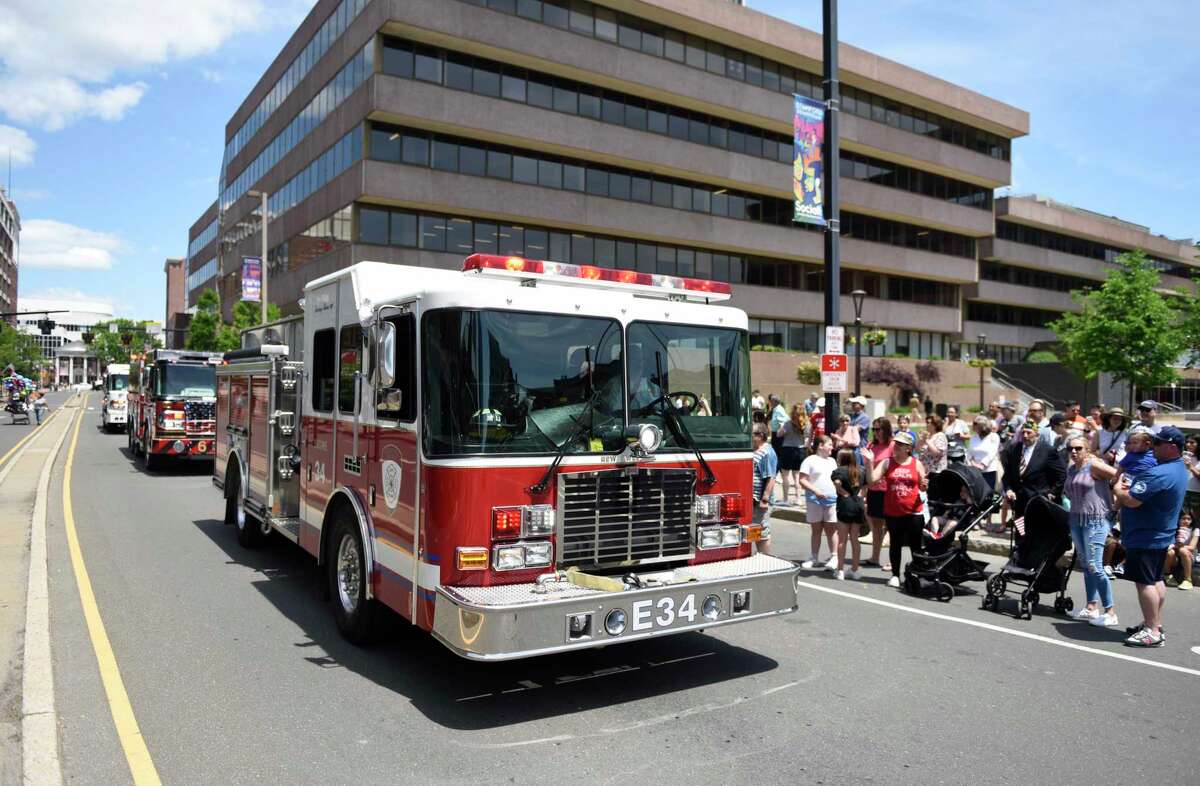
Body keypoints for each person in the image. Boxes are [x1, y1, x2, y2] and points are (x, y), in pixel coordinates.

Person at [1111, 427, 1190, 647]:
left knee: (1144, 583)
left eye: (1157, 443)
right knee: (1155, 580)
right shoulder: (1178, 468)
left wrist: (1117, 489)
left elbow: (1131, 500)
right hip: (1159, 534)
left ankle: (1152, 631)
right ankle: (1154, 622)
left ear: (1172, 447)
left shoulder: (1158, 473)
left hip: (1146, 536)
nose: (1152, 446)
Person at [1062, 435, 1120, 626]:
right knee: (1086, 565)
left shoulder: (1094, 465)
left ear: (1087, 449)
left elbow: (1119, 475)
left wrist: (1116, 504)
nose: (1073, 451)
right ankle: (1091, 607)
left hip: (1096, 521)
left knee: (1095, 566)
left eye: (1078, 448)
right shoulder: (1072, 469)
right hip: (1076, 520)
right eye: (1070, 448)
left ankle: (1110, 612)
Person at [866, 431, 927, 588]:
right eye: (895, 444)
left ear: (908, 448)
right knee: (895, 543)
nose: (896, 446)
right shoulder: (887, 462)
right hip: (893, 511)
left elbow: (922, 486)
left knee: (915, 546)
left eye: (900, 444)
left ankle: (918, 574)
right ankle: (895, 575)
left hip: (914, 511)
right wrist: (869, 462)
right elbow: (872, 481)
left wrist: (924, 485)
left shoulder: (916, 464)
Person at [1000, 420, 1066, 518]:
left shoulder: (1047, 451)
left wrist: (1052, 493)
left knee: (1037, 527)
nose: (1025, 435)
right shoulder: (1014, 449)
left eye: (1029, 432)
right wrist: (1009, 489)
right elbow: (1008, 474)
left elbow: (1061, 474)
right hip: (1019, 502)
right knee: (1020, 527)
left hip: (1039, 501)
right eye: (1023, 432)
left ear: (1037, 435)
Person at [798, 436, 839, 571]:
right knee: (816, 530)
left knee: (831, 530)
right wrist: (815, 490)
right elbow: (802, 480)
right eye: (829, 444)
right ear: (820, 445)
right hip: (814, 500)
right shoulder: (809, 460)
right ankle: (814, 557)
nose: (832, 447)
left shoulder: (832, 461)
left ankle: (834, 557)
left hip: (831, 499)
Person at [862, 417, 894, 569]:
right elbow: (867, 467)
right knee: (876, 525)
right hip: (873, 489)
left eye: (878, 429)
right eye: (873, 429)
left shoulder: (892, 445)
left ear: (886, 430)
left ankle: (893, 560)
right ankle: (875, 557)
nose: (875, 432)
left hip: (888, 490)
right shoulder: (871, 445)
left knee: (892, 526)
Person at [831, 448, 866, 580]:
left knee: (842, 539)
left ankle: (840, 570)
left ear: (842, 458)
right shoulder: (861, 470)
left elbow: (837, 481)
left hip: (845, 504)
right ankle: (855, 569)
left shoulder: (839, 471)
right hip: (858, 504)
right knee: (855, 538)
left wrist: (841, 490)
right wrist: (860, 496)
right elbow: (865, 487)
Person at [750, 423, 777, 555]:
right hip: (752, 499)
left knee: (762, 530)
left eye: (751, 434)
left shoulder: (767, 452)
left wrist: (764, 499)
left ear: (760, 436)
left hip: (760, 500)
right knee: (754, 529)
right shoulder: (753, 450)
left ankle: (765, 557)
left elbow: (771, 477)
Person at [776, 405, 808, 505]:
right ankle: (798, 499)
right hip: (800, 450)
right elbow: (807, 438)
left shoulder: (788, 423)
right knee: (797, 476)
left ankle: (785, 499)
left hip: (788, 449)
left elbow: (778, 434)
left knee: (785, 476)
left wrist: (781, 426)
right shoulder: (806, 424)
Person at [968, 415, 1002, 492]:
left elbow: (992, 453)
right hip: (974, 471)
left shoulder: (994, 436)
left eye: (975, 423)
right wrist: (972, 463)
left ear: (982, 426)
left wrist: (982, 465)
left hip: (988, 471)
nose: (973, 425)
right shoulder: (974, 437)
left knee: (987, 493)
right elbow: (969, 452)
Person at [1163, 509, 1195, 590]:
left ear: (1192, 520)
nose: (1186, 521)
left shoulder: (1195, 530)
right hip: (1174, 558)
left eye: (1189, 519)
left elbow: (1192, 547)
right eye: (1183, 518)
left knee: (1183, 550)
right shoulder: (1174, 529)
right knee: (1169, 552)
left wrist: (1177, 546)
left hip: (1187, 557)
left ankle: (1188, 579)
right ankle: (1167, 574)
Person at [1182, 435, 1200, 519]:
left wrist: (1190, 466)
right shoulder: (1182, 456)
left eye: (1192, 442)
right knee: (1183, 519)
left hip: (1196, 493)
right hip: (1182, 491)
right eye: (1187, 442)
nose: (1188, 444)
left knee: (1196, 519)